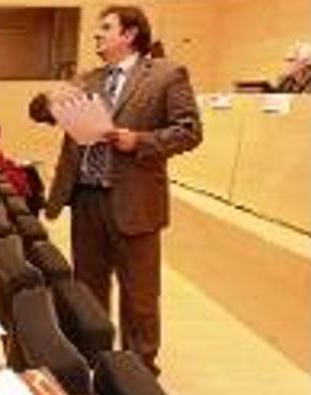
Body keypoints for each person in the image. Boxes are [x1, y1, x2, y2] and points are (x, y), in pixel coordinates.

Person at [29, 5, 202, 375]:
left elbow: (189, 131)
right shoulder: (88, 79)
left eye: (105, 28)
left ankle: (138, 371)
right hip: (86, 198)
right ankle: (92, 361)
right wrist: (50, 97)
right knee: (88, 288)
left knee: (139, 295)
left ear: (130, 34)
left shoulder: (166, 74)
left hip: (135, 202)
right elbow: (40, 113)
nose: (97, 34)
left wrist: (138, 140)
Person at [0, 119, 44, 214]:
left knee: (30, 170)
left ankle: (38, 198)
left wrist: (12, 163)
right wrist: (13, 166)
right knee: (30, 172)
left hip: (2, 172)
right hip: (2, 176)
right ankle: (36, 201)